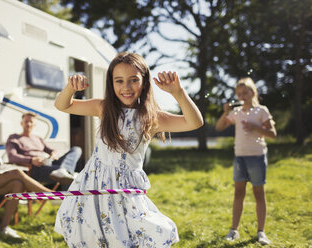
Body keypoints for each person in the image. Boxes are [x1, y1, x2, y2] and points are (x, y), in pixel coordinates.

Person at [54, 52, 204, 247]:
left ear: (144, 82)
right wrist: (70, 88)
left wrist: (178, 93)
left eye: (133, 80)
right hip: (95, 183)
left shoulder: (151, 117)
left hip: (126, 189)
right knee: (94, 235)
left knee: (129, 235)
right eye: (119, 81)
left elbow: (194, 122)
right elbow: (62, 105)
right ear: (111, 83)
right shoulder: (103, 108)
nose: (126, 87)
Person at [215, 77, 277, 245]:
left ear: (253, 92)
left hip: (257, 157)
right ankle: (234, 230)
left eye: (245, 92)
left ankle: (261, 232)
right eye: (239, 94)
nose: (242, 96)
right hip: (239, 157)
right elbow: (219, 127)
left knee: (258, 194)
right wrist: (225, 112)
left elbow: (272, 133)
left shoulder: (261, 111)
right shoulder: (236, 112)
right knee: (238, 193)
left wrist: (256, 127)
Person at [5, 112, 82, 185]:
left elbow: (52, 150)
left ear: (34, 124)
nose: (28, 124)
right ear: (21, 123)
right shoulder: (14, 138)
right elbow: (12, 157)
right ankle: (67, 172)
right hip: (35, 168)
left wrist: (54, 154)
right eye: (26, 121)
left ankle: (64, 171)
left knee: (76, 149)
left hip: (48, 163)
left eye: (31, 122)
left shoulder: (38, 138)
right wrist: (31, 160)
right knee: (67, 175)